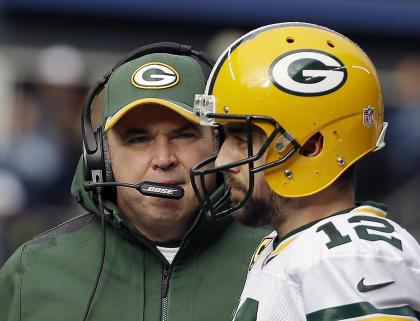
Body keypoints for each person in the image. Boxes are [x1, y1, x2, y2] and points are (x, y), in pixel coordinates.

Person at [0, 44, 266, 321]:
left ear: (218, 143)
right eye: (139, 139)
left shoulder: (277, 262)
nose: (163, 158)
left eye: (184, 135)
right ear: (101, 158)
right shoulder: (32, 272)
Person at [191, 23, 420, 320]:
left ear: (311, 147)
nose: (222, 160)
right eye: (223, 137)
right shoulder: (302, 245)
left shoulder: (347, 254)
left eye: (243, 139)